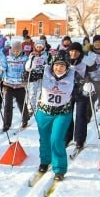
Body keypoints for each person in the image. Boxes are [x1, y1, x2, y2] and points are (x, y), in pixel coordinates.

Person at [27, 53, 77, 183]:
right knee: (44, 139)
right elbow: (27, 76)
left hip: (62, 113)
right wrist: (29, 72)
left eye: (62, 65)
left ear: (67, 66)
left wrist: (88, 87)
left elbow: (85, 84)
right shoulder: (44, 71)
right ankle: (45, 161)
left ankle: (59, 169)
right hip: (44, 111)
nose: (59, 68)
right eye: (56, 65)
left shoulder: (74, 75)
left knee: (56, 139)